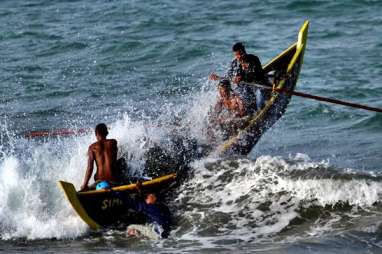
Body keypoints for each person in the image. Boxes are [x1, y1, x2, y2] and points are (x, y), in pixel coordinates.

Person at [80, 123, 125, 191]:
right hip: (113, 180)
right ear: (107, 133)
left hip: (100, 181)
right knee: (122, 161)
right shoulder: (113, 142)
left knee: (96, 175)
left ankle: (92, 188)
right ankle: (125, 181)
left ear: (96, 134)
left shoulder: (92, 148)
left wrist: (85, 184)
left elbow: (90, 167)